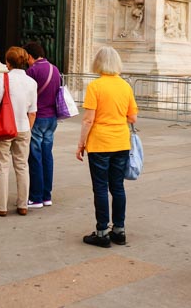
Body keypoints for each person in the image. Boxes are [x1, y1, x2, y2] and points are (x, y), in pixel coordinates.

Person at [76, 46, 139, 248]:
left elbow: (88, 120)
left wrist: (81, 143)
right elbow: (132, 117)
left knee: (101, 188)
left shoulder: (95, 86)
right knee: (118, 187)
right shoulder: (126, 86)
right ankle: (119, 230)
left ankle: (102, 231)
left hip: (100, 143)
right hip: (121, 141)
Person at [0, 46, 37, 216]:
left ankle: (1, 206)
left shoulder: (4, 79)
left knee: (2, 166)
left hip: (4, 128)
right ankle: (23, 204)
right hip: (23, 127)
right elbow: (33, 111)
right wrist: (27, 129)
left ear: (8, 62)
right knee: (22, 166)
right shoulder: (31, 82)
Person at [24, 41, 61, 208]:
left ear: (30, 56)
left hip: (37, 117)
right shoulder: (55, 69)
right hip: (52, 118)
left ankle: (36, 197)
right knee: (47, 155)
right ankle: (47, 195)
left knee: (35, 157)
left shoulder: (32, 71)